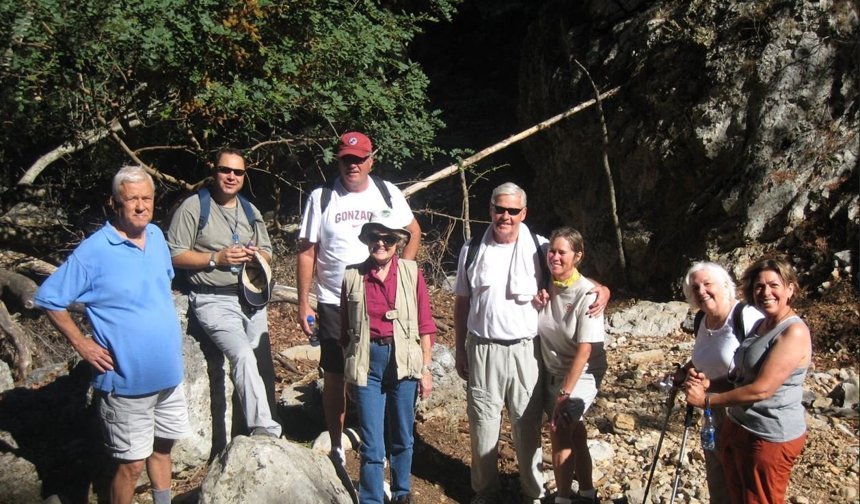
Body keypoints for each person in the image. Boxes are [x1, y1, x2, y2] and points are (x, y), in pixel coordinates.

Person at [34, 166, 190, 504]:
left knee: (163, 449)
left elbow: (160, 289)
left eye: (146, 198)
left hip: (168, 376)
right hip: (125, 382)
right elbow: (49, 298)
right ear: (114, 203)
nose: (141, 206)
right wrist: (82, 344)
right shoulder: (94, 251)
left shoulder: (157, 237)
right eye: (132, 199)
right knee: (131, 466)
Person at [453, 182, 609, 504]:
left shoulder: (540, 247)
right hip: (482, 347)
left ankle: (532, 494)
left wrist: (603, 289)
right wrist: (459, 348)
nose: (505, 216)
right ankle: (486, 492)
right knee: (482, 423)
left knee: (526, 426)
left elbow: (571, 272)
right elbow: (461, 302)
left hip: (526, 350)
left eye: (513, 210)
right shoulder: (472, 249)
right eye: (500, 209)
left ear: (523, 213)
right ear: (491, 210)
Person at [297, 131, 421, 464]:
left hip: (379, 301)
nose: (353, 165)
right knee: (335, 373)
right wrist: (304, 301)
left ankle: (381, 445)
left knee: (382, 371)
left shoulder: (387, 193)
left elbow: (414, 232)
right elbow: (307, 251)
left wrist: (401, 276)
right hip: (334, 300)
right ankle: (337, 445)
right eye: (347, 159)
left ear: (371, 161)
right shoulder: (322, 198)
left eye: (359, 159)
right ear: (338, 161)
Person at [167, 148, 281, 438]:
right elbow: (174, 254)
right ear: (214, 171)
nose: (231, 176)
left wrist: (256, 256)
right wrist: (216, 258)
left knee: (260, 363)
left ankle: (252, 428)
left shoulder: (249, 210)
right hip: (212, 298)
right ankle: (264, 430)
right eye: (225, 170)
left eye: (238, 172)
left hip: (251, 298)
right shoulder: (194, 207)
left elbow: (268, 252)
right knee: (242, 355)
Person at [685, 257, 811, 504]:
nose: (766, 292)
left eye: (774, 285)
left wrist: (707, 401)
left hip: (769, 435)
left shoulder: (793, 331)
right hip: (740, 426)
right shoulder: (762, 325)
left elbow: (761, 389)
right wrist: (710, 384)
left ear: (790, 289)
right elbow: (740, 376)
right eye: (759, 286)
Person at [340, 214, 435, 504]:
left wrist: (425, 368)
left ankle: (401, 492)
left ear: (397, 242)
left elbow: (425, 324)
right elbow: (345, 332)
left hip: (404, 361)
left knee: (403, 435)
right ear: (367, 240)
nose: (381, 244)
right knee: (371, 441)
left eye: (388, 239)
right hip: (367, 363)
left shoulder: (411, 272)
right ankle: (371, 498)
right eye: (375, 238)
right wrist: (348, 376)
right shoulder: (352, 276)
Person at [674, 261, 764, 504]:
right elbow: (706, 358)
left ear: (724, 284)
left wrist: (710, 387)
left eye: (707, 284)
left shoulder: (747, 317)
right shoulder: (702, 320)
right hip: (711, 410)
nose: (701, 291)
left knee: (743, 482)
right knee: (718, 478)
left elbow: (759, 371)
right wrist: (685, 372)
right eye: (695, 288)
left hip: (742, 412)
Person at [538, 228, 607, 504]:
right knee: (574, 432)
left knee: (559, 427)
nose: (555, 257)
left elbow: (585, 350)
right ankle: (588, 493)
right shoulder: (546, 281)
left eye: (562, 252)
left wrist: (565, 394)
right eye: (552, 251)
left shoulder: (588, 295)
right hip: (553, 368)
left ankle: (563, 498)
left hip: (584, 371)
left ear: (577, 256)